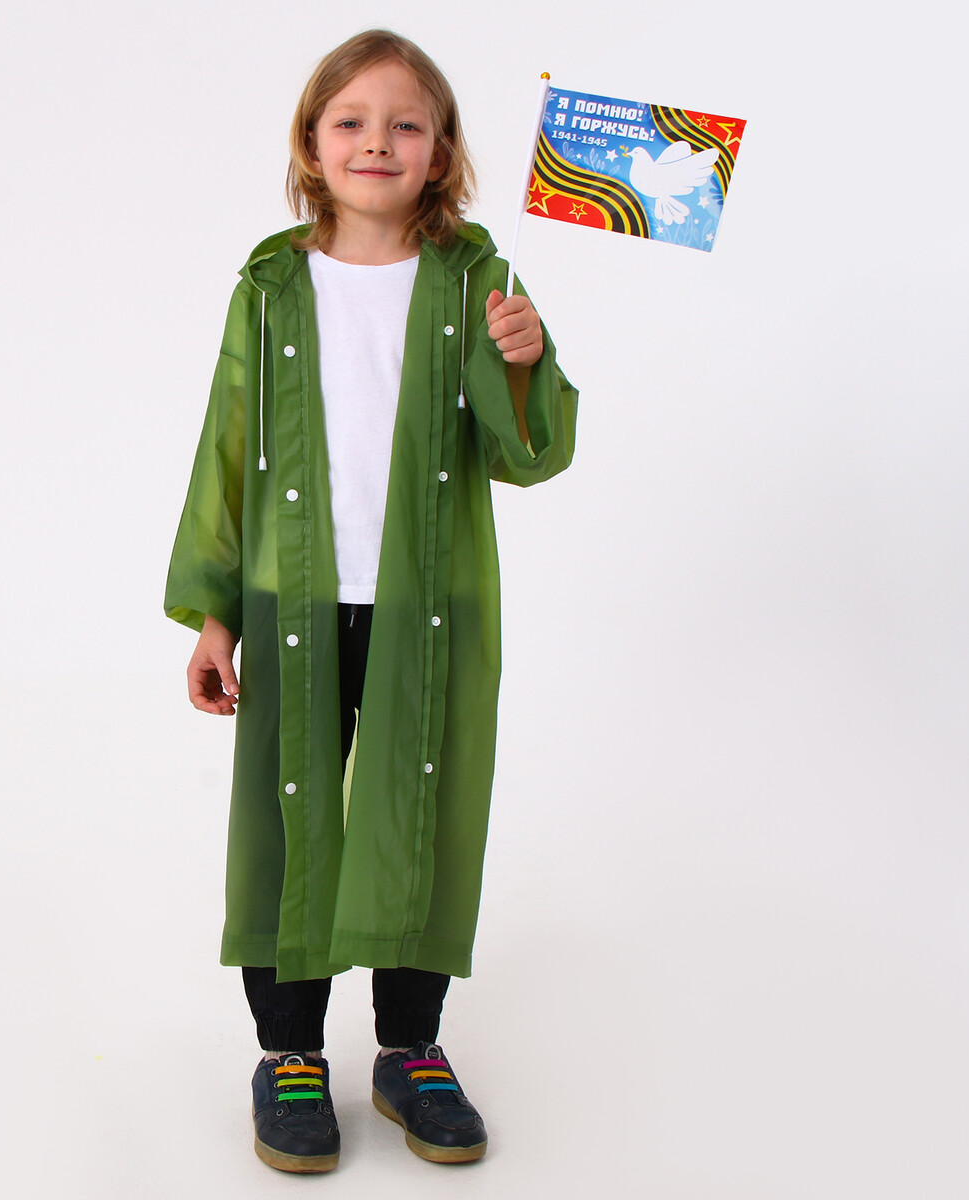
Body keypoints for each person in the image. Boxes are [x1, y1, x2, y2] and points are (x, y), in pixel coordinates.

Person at [164, 29, 578, 1173]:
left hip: (431, 604)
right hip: (289, 598)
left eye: (406, 123)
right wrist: (213, 611)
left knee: (422, 816)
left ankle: (411, 1049)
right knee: (286, 822)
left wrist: (524, 361)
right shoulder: (270, 285)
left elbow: (527, 454)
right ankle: (290, 1053)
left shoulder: (477, 278)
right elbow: (228, 446)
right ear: (312, 143)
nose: (377, 142)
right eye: (350, 121)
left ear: (442, 149)